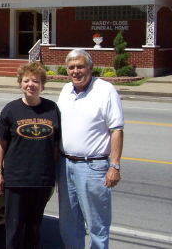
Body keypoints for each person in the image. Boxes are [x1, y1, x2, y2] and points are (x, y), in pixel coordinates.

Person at [57, 49, 124, 249]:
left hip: (93, 167)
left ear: (90, 68)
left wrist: (114, 166)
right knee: (69, 222)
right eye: (71, 67)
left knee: (97, 224)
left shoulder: (105, 90)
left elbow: (116, 130)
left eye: (80, 66)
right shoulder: (66, 90)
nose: (76, 71)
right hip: (65, 164)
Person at [0, 62, 60, 249]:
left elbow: (56, 144)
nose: (30, 84)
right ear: (20, 83)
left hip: (42, 179)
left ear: (42, 85)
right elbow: (1, 143)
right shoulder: (11, 109)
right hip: (16, 179)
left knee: (34, 227)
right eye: (26, 80)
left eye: (36, 81)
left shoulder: (52, 109)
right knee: (14, 228)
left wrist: (54, 173)